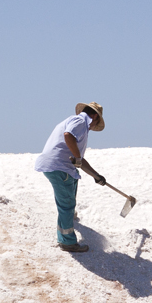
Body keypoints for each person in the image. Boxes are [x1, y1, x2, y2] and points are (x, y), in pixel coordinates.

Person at [33, 102, 106, 253]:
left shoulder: (76, 123)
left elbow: (79, 160)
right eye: (96, 123)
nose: (93, 127)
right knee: (66, 204)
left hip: (64, 167)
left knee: (71, 189)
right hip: (59, 167)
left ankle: (69, 217)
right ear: (94, 116)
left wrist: (96, 176)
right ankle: (67, 242)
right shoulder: (80, 121)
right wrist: (78, 158)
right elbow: (68, 136)